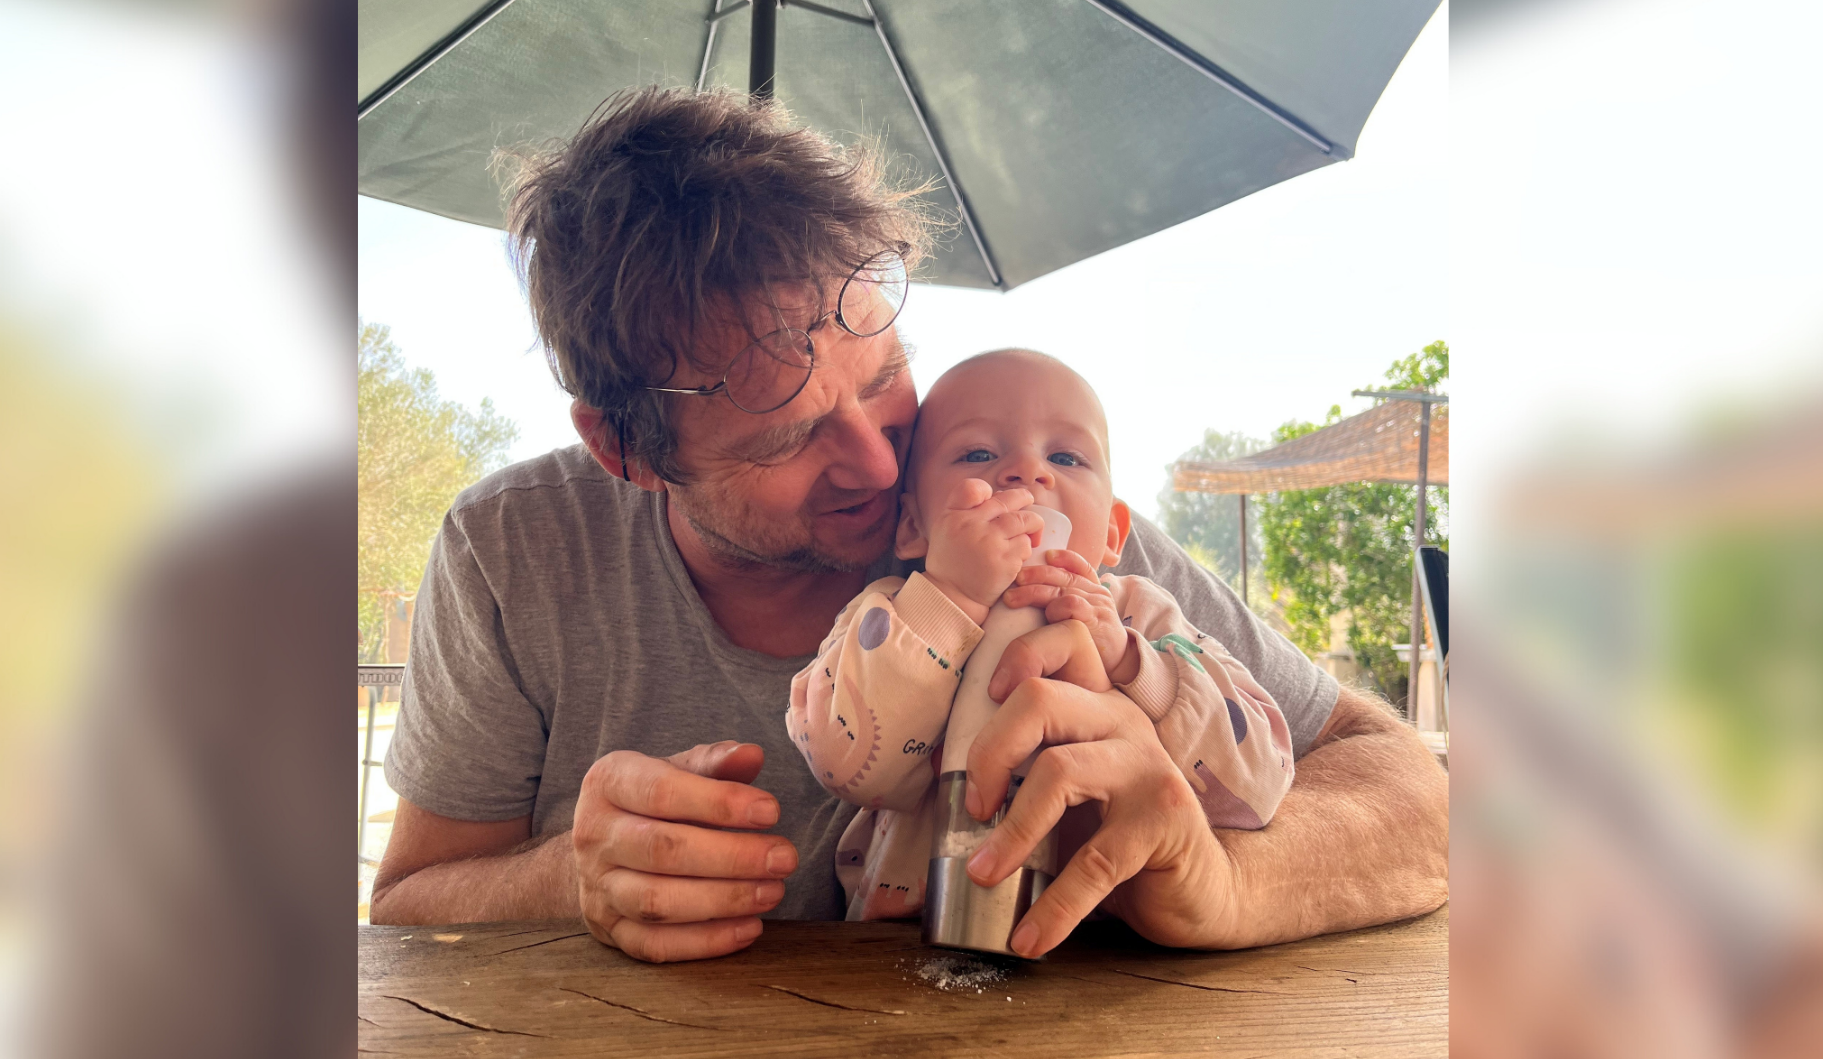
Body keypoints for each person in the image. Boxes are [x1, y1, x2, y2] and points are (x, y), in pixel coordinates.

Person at [370, 86, 1449, 964]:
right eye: (788, 437)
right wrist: (570, 880)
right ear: (628, 451)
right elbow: (412, 904)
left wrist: (1221, 879)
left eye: (885, 375)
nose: (885, 461)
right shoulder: (515, 547)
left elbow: (1416, 796)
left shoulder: (1038, 516)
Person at [789, 350, 1293, 942]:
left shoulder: (1146, 619)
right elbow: (841, 764)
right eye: (978, 453)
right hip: (907, 943)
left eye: (1065, 456)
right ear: (912, 527)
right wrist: (949, 598)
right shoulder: (894, 614)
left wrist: (1134, 666)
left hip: (1116, 952)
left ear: (1112, 533)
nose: (1027, 471)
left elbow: (1259, 787)